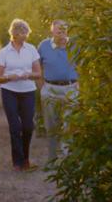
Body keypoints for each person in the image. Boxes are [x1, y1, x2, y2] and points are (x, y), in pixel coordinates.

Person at [0, 18, 42, 171]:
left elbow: (38, 73)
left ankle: (25, 157)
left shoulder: (31, 49)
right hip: (9, 92)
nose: (25, 36)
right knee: (15, 127)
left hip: (28, 91)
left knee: (28, 126)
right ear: (14, 34)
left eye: (26, 32)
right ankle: (18, 162)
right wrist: (9, 77)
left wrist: (28, 74)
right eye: (22, 33)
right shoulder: (4, 52)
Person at [38, 19, 79, 163]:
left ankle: (66, 158)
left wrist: (79, 84)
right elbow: (38, 67)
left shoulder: (74, 45)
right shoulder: (44, 46)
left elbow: (83, 65)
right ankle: (52, 158)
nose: (62, 34)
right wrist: (43, 86)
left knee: (69, 125)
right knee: (51, 126)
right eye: (58, 31)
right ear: (52, 32)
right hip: (50, 90)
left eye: (64, 30)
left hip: (70, 89)